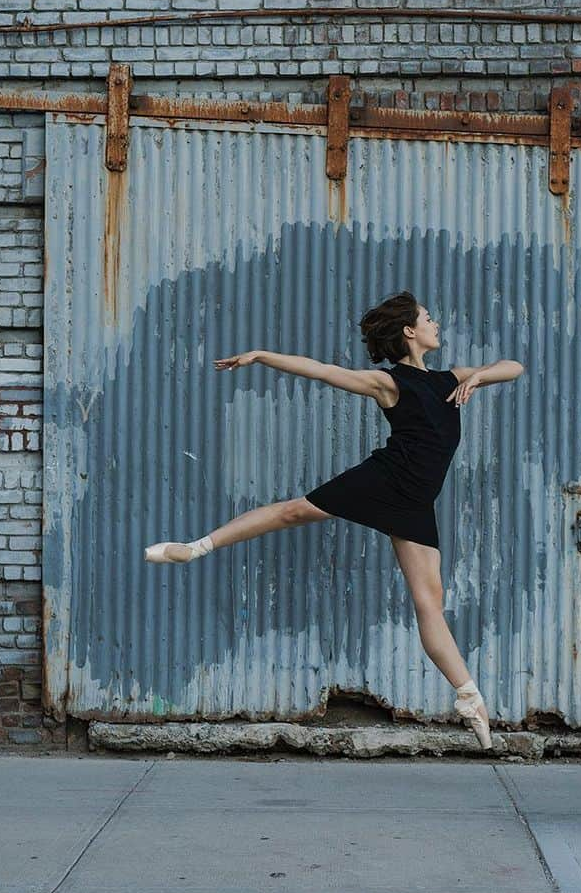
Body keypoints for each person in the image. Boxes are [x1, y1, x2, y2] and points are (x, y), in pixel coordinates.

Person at [145, 290, 525, 750]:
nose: (436, 323)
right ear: (410, 331)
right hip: (386, 479)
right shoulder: (390, 383)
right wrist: (263, 356)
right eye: (429, 318)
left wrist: (479, 377)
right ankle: (195, 548)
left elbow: (514, 367)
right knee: (295, 511)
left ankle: (469, 698)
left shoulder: (449, 379)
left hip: (416, 502)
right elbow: (323, 371)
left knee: (430, 601)